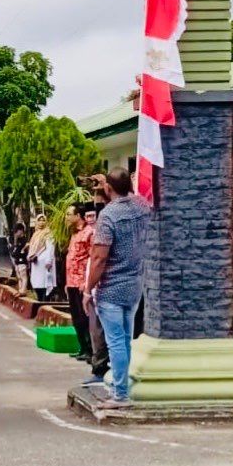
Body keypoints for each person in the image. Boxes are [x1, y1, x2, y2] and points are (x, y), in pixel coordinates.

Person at [83, 168, 151, 408]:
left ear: (108, 188)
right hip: (135, 284)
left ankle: (120, 394)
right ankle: (122, 387)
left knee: (115, 342)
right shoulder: (143, 207)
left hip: (111, 287)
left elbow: (100, 258)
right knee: (125, 339)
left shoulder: (109, 215)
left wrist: (87, 289)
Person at [64, 204, 95, 363]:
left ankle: (90, 350)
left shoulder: (89, 233)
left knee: (84, 317)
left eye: (70, 214)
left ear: (78, 216)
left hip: (81, 283)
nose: (67, 217)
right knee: (76, 317)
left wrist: (87, 282)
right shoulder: (75, 234)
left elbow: (92, 258)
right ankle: (82, 347)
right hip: (71, 282)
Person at [26, 214, 55, 301]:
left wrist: (48, 261)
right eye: (39, 220)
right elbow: (32, 248)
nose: (41, 222)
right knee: (37, 284)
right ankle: (40, 301)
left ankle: (44, 302)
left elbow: (50, 247)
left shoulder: (48, 233)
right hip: (36, 263)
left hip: (45, 263)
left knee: (45, 285)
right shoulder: (35, 234)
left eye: (43, 220)